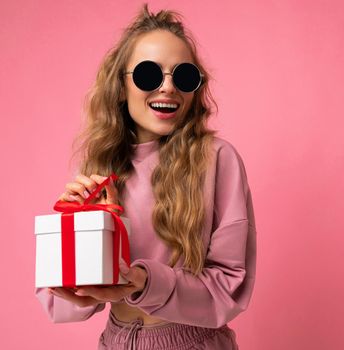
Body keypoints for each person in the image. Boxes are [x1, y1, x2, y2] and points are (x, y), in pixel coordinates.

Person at [34, 4, 257, 349]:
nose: (168, 88)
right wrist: (80, 236)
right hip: (116, 341)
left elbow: (228, 289)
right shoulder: (97, 167)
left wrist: (140, 281)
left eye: (183, 76)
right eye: (148, 75)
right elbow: (60, 306)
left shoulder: (217, 160)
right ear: (121, 86)